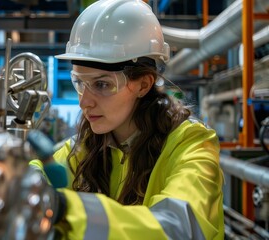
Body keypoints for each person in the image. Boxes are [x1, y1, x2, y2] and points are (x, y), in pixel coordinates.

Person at [30, 0, 224, 239]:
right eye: (80, 83)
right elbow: (41, 170)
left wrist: (68, 211)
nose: (84, 102)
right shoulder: (87, 146)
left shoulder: (192, 145)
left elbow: (178, 227)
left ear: (143, 84)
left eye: (102, 84)